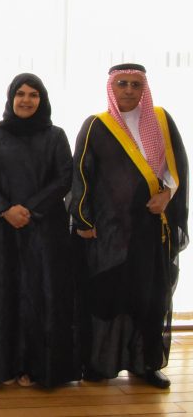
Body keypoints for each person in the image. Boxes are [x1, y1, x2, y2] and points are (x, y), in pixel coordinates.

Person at [0, 73, 80, 387]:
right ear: (11, 98)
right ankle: (0, 365)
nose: (26, 100)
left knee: (40, 297)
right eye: (20, 94)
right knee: (2, 294)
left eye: (33, 94)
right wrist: (6, 209)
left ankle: (36, 368)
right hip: (0, 229)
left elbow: (64, 178)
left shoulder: (56, 136)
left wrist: (30, 210)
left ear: (42, 100)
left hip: (45, 231)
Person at [71, 63, 188, 389]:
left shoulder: (162, 120)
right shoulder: (96, 125)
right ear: (111, 87)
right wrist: (83, 219)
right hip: (109, 231)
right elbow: (80, 174)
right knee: (107, 296)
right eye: (122, 83)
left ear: (143, 89)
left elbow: (177, 167)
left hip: (151, 229)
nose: (128, 90)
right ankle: (99, 364)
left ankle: (146, 363)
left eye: (135, 85)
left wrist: (167, 195)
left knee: (150, 298)